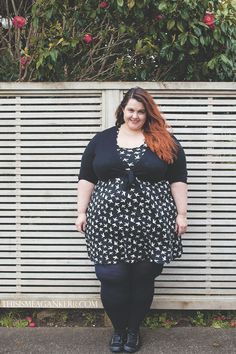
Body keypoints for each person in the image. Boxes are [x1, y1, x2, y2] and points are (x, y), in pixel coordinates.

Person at [75, 87, 188, 353]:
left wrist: (182, 214)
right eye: (130, 110)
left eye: (140, 111)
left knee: (143, 276)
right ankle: (119, 329)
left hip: (153, 222)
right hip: (107, 222)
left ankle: (134, 330)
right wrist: (81, 211)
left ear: (148, 114)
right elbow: (86, 177)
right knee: (110, 274)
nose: (135, 116)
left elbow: (178, 179)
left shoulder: (164, 140)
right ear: (122, 110)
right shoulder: (101, 140)